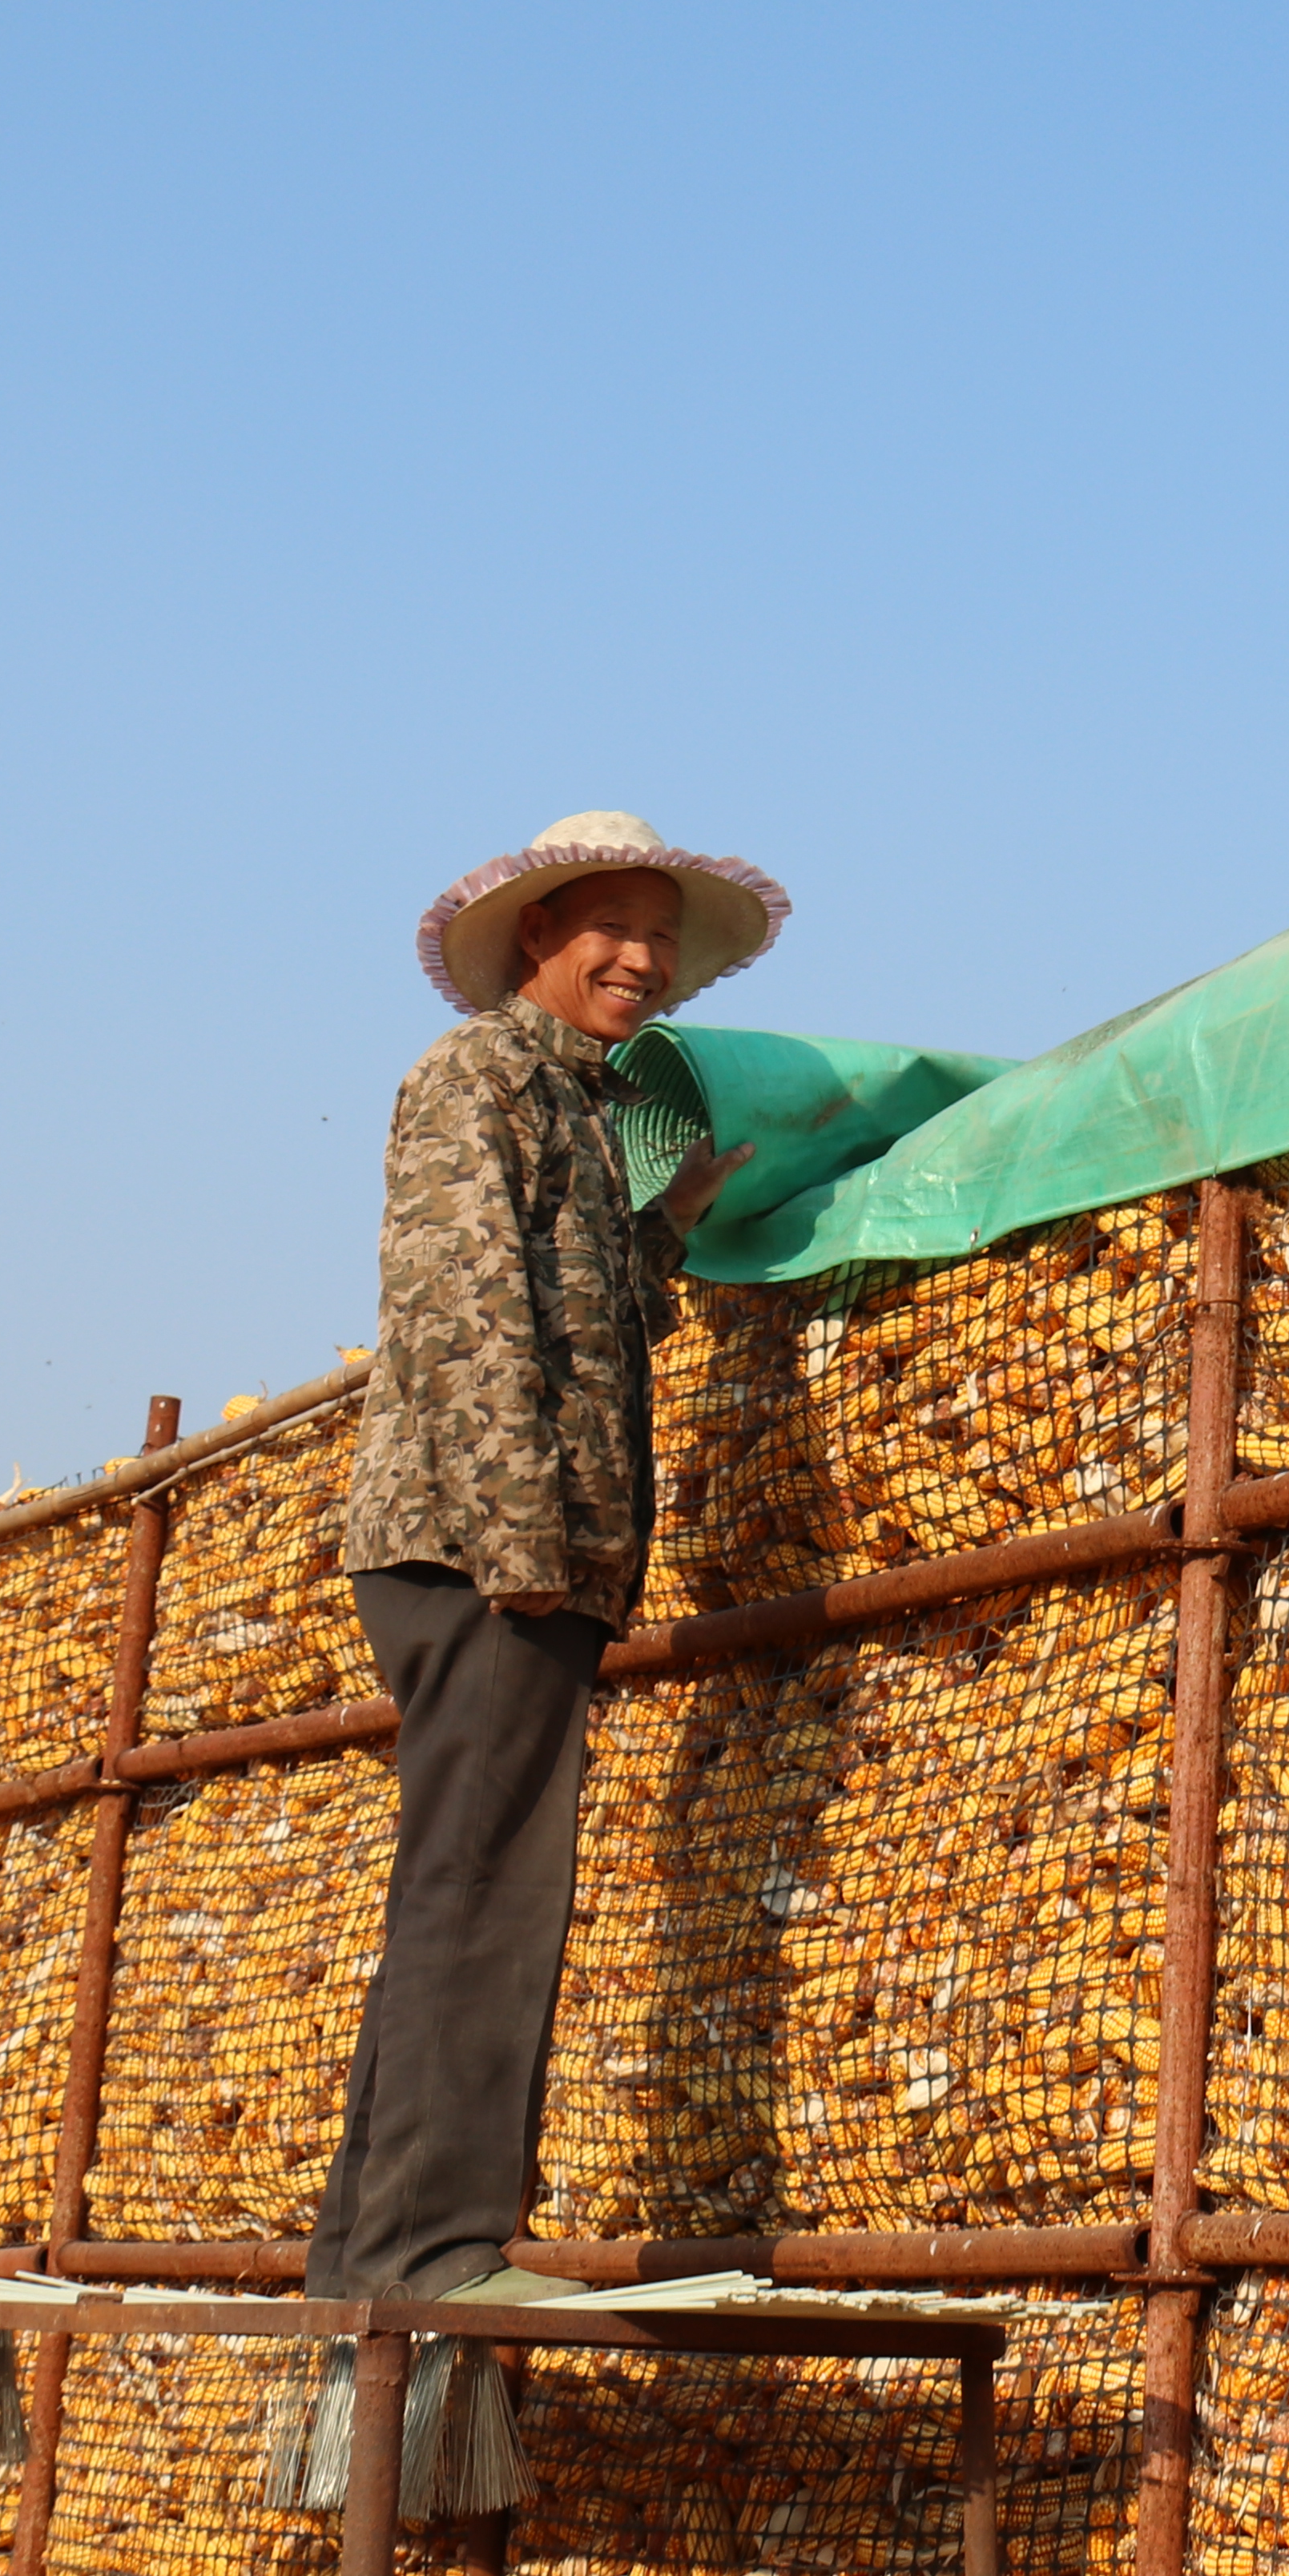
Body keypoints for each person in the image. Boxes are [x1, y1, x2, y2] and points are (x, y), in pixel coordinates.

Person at [311, 809, 788, 2307]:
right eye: (614, 929)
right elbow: (462, 1313)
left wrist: (669, 1230)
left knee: (462, 1881)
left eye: (661, 936)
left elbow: (576, 1305)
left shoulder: (576, 1109)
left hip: (523, 1541)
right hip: (483, 1545)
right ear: (539, 936)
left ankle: (367, 2255)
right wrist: (528, 1550)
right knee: (487, 1889)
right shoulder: (471, 1081)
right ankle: (439, 2252)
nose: (642, 960)